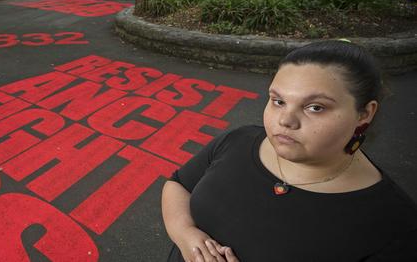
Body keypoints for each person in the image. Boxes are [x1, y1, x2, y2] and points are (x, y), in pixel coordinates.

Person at [162, 40, 417, 262]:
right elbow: (178, 185)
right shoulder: (238, 140)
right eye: (278, 101)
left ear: (365, 113)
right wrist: (187, 236)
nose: (286, 120)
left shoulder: (393, 225)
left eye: (315, 107)